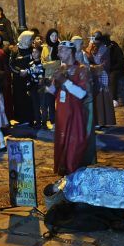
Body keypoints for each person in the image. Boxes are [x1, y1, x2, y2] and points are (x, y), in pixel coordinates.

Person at [51, 41, 91, 175]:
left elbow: (82, 93)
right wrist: (45, 85)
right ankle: (64, 174)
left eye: (61, 50)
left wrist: (64, 81)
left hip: (75, 113)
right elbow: (53, 91)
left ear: (69, 51)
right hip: (62, 112)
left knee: (73, 144)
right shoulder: (60, 69)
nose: (58, 53)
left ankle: (73, 172)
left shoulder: (81, 69)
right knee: (62, 142)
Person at [89, 33, 116, 129]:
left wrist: (96, 67)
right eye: (92, 38)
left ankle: (103, 122)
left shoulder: (105, 49)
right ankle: (97, 122)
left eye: (95, 38)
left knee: (103, 100)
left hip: (102, 76)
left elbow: (105, 63)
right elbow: (89, 58)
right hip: (94, 76)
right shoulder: (92, 48)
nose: (93, 40)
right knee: (97, 100)